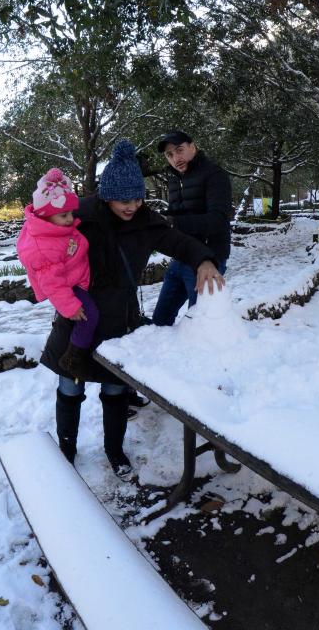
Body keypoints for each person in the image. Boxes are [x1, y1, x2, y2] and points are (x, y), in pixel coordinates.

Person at [39, 140, 224, 477]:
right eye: (125, 200)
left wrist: (204, 260)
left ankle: (114, 450)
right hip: (78, 314)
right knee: (70, 386)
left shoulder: (145, 220)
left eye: (138, 198)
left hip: (118, 319)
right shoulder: (79, 214)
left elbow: (178, 242)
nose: (132, 206)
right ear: (107, 195)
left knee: (115, 390)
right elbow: (40, 233)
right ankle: (66, 448)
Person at [17, 168, 98, 379]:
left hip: (72, 276)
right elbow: (52, 283)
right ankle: (72, 356)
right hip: (66, 286)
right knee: (90, 317)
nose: (71, 219)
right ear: (46, 215)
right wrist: (70, 306)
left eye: (71, 213)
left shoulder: (54, 228)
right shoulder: (44, 246)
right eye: (64, 215)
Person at [151, 130, 233, 327]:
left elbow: (218, 221)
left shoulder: (215, 175)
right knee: (160, 322)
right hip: (181, 257)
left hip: (209, 260)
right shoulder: (174, 178)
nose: (175, 158)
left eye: (179, 150)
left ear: (193, 147)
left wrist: (174, 222)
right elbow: (179, 213)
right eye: (169, 155)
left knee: (203, 326)